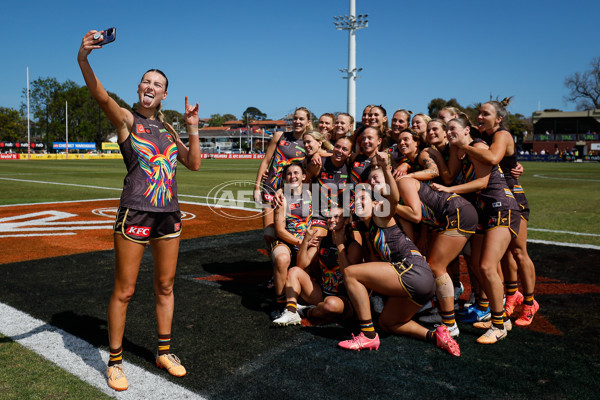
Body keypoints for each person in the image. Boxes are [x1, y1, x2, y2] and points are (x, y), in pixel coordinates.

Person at [78, 29, 201, 391]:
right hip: (135, 212)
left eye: (157, 83)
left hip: (169, 215)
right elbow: (100, 96)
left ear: (164, 94)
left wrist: (192, 127)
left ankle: (164, 351)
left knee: (165, 285)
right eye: (145, 81)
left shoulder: (166, 126)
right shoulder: (127, 121)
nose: (150, 86)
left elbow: (193, 164)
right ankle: (114, 362)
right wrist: (83, 58)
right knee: (125, 290)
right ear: (138, 90)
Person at [336, 153, 460, 356]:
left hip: (412, 271)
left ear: (375, 201)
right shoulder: (369, 232)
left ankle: (367, 335)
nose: (357, 202)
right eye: (354, 199)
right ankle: (436, 335)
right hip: (420, 281)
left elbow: (393, 198)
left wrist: (385, 169)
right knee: (388, 322)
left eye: (362, 197)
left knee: (351, 273)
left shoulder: (380, 215)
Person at [431, 116, 520, 344]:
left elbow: (482, 183)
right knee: (481, 267)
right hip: (485, 211)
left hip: (501, 207)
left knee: (487, 266)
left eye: (453, 129)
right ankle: (500, 318)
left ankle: (498, 325)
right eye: (446, 129)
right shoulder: (460, 150)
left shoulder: (478, 147)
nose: (449, 132)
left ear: (466, 130)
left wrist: (449, 189)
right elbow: (451, 173)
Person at [465, 98, 539, 326]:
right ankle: (512, 295)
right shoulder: (483, 136)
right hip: (495, 198)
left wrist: (463, 146)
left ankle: (529, 303)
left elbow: (494, 158)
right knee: (505, 252)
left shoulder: (502, 135)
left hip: (512, 198)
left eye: (485, 114)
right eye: (479, 113)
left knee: (518, 251)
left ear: (498, 118)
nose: (480, 117)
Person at [272, 207, 360, 326]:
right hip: (321, 294)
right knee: (294, 271)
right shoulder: (322, 241)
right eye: (329, 217)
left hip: (343, 299)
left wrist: (339, 245)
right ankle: (291, 311)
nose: (331, 220)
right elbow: (301, 265)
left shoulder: (353, 246)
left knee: (331, 305)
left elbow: (348, 274)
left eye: (336, 217)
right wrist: (306, 241)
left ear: (345, 221)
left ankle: (305, 310)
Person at [253, 108, 311, 250]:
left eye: (301, 119)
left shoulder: (309, 142)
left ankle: (288, 262)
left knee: (288, 230)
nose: (297, 122)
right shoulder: (280, 135)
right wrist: (256, 187)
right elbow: (266, 161)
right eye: (295, 118)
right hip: (270, 187)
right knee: (269, 233)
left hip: (292, 193)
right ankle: (274, 264)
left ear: (308, 122)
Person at [271, 163, 313, 317]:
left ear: (303, 176)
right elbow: (280, 230)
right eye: (289, 174)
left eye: (296, 173)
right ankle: (280, 303)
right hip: (288, 241)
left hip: (307, 241)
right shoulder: (282, 199)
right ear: (285, 178)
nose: (292, 176)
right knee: (281, 258)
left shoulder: (312, 194)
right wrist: (300, 242)